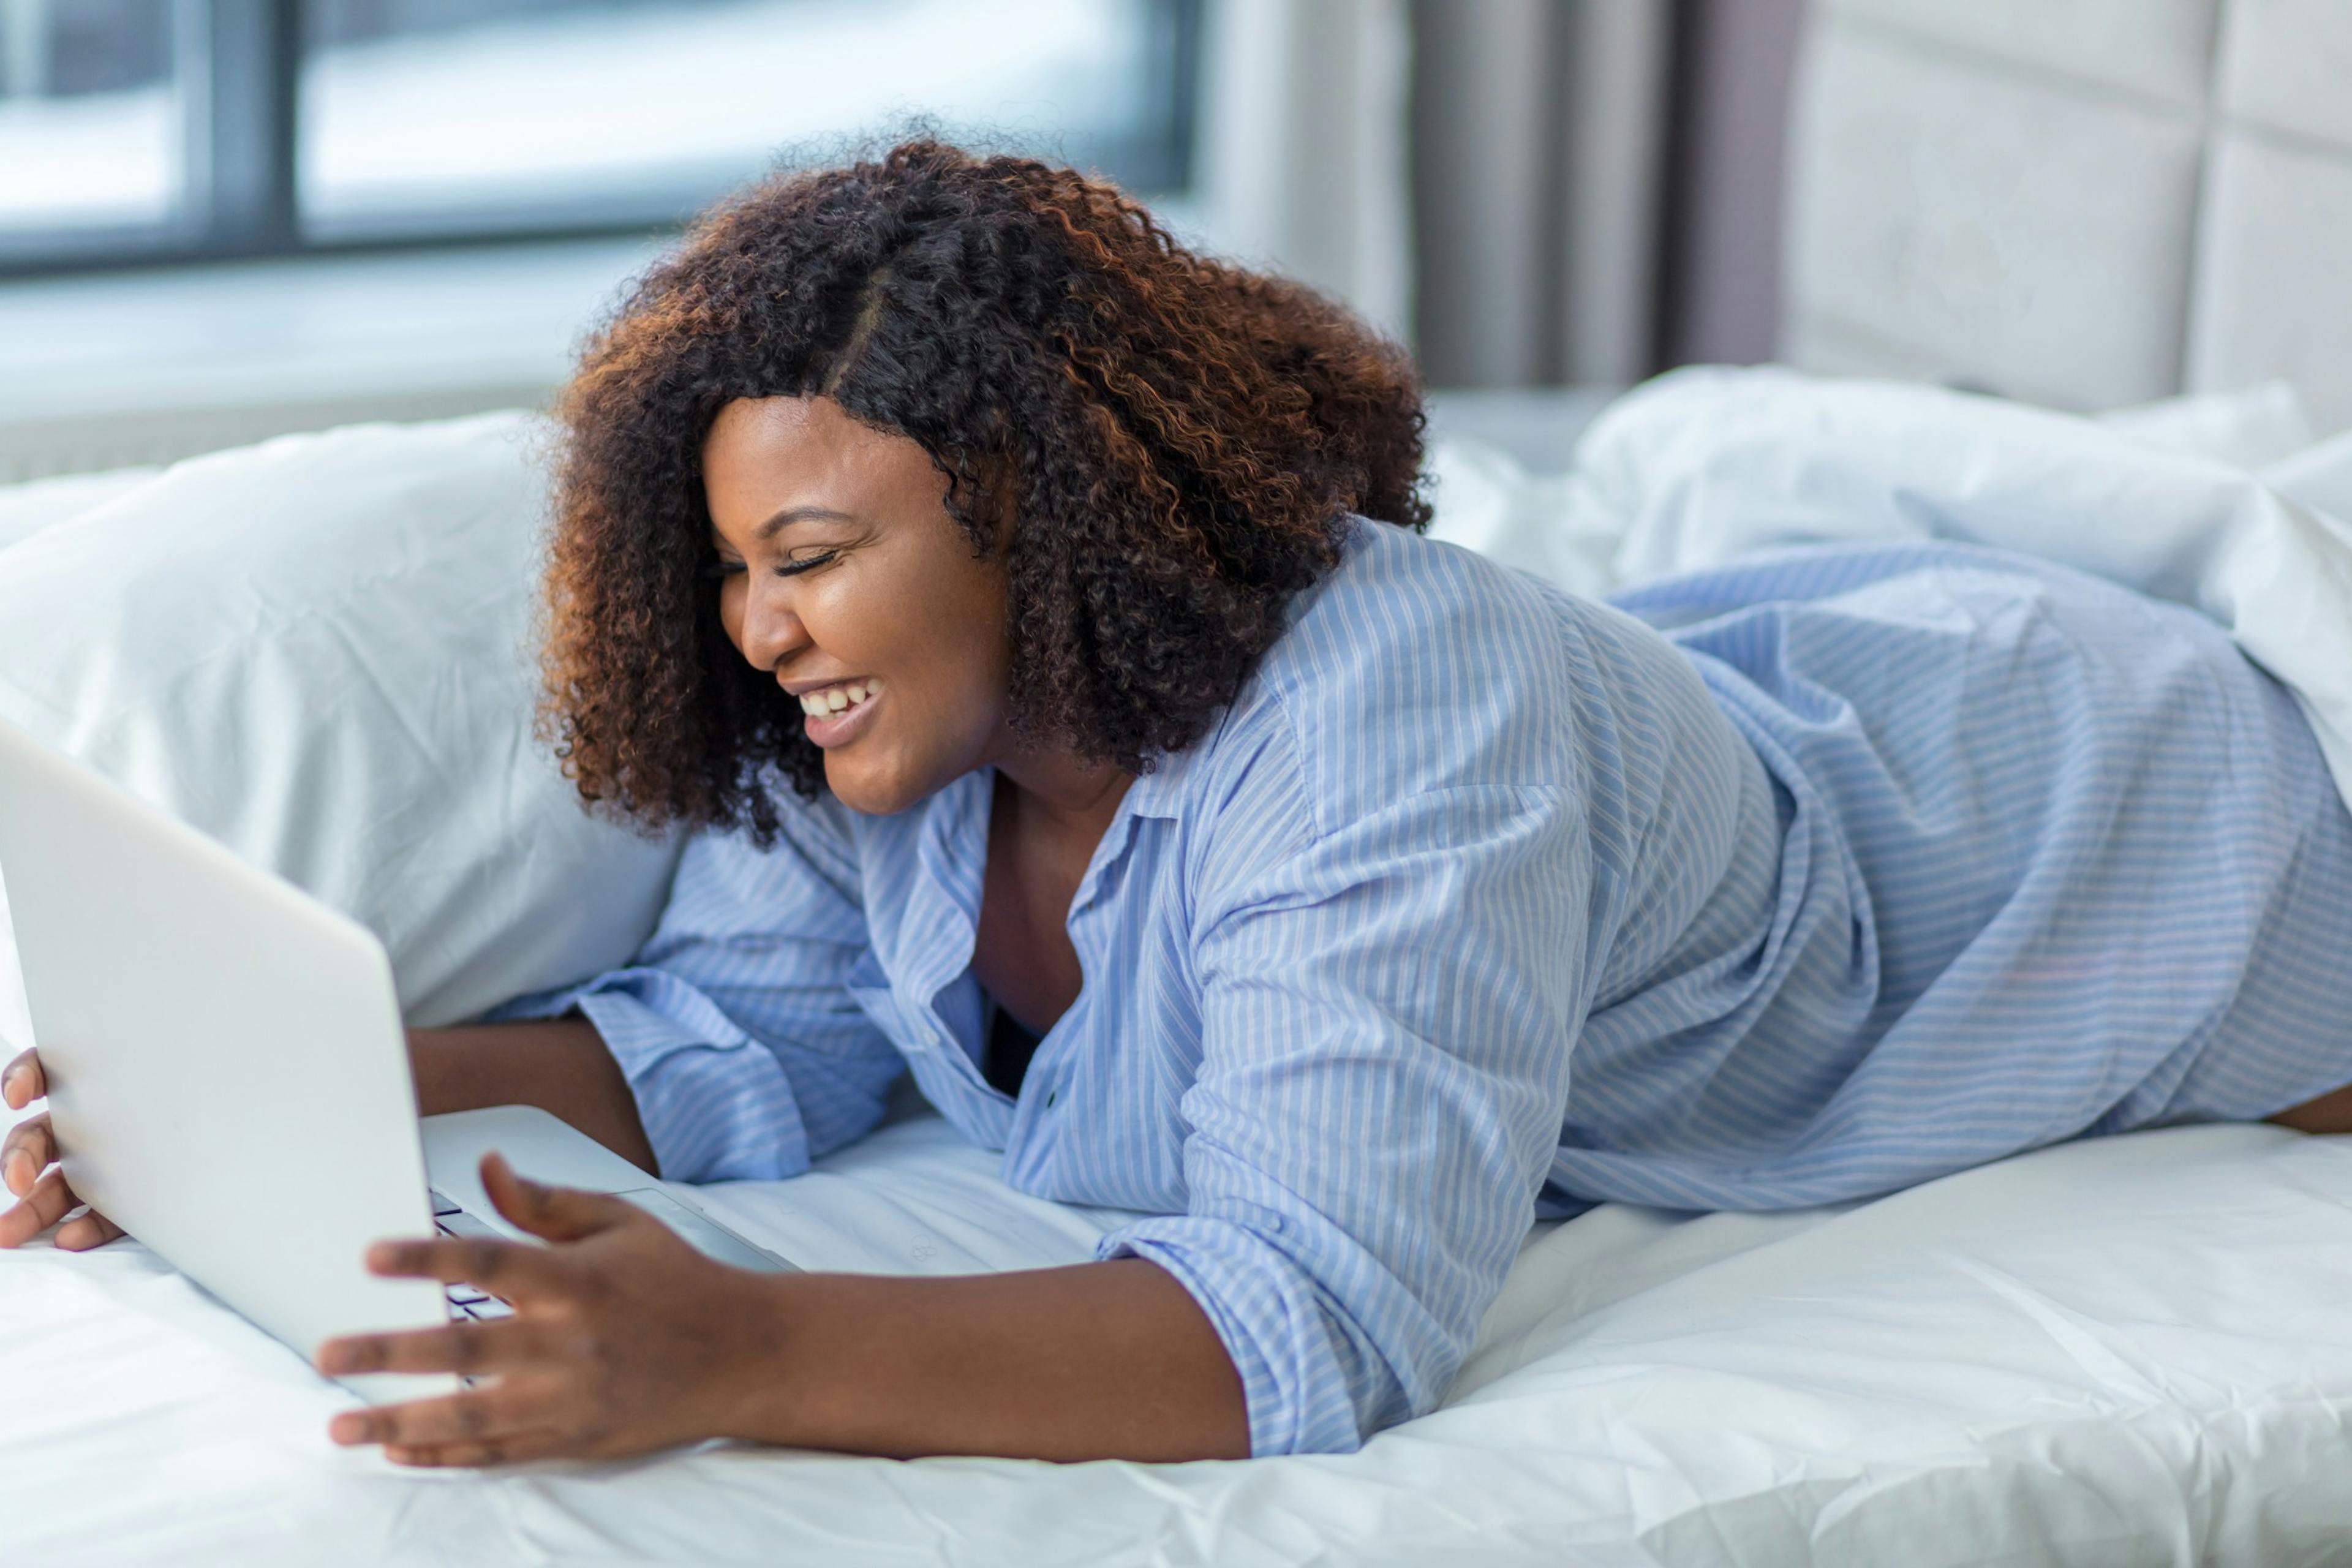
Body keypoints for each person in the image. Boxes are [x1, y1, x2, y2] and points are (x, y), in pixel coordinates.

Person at [7, 139, 2351, 1471]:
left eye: (808, 563)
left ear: (1035, 507)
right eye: (729, 571)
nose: (755, 632)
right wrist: (246, 1093)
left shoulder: (1392, 707)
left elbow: (1314, 1316)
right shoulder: (894, 741)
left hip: (2099, 839)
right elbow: (758, 1041)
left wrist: (737, 1351)